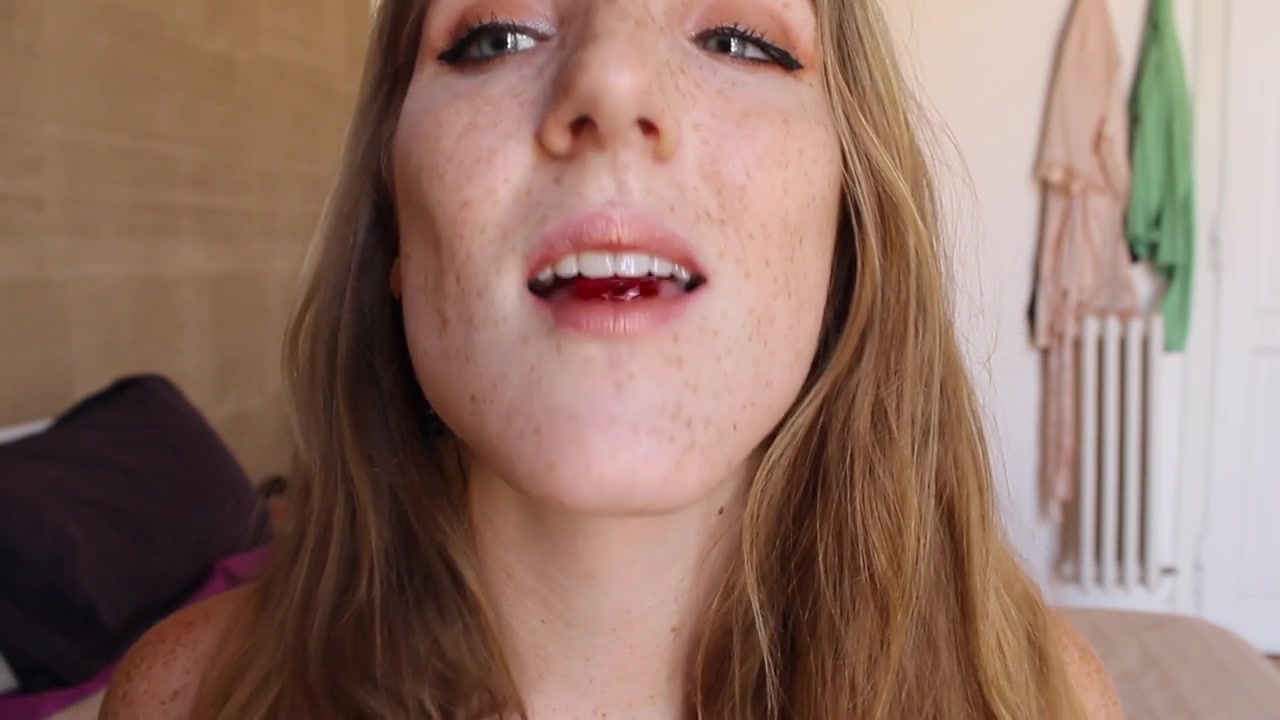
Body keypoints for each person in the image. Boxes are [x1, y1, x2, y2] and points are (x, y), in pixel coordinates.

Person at [102, 0, 1122, 717]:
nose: (611, 82)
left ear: (847, 229)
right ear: (395, 225)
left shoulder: (1045, 702)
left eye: (738, 39)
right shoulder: (183, 700)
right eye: (495, 35)